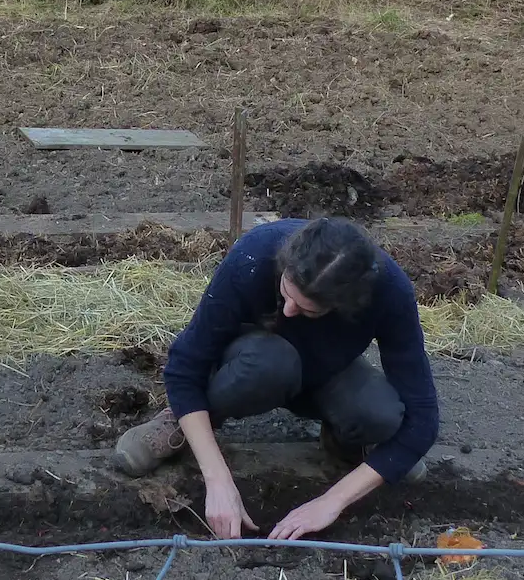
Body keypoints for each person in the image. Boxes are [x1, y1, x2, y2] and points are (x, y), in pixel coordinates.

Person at [114, 217, 440, 541]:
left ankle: (347, 442)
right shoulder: (254, 256)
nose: (287, 311)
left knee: (381, 415)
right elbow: (185, 366)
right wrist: (218, 480)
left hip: (326, 370)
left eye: (307, 310)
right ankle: (188, 420)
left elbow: (422, 420)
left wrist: (332, 501)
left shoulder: (390, 293)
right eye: (286, 293)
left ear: (345, 305)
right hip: (256, 365)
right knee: (270, 363)